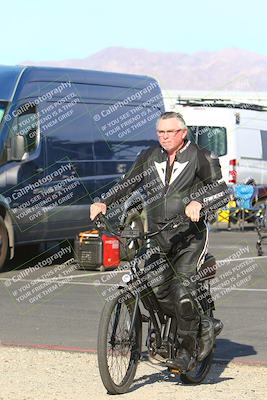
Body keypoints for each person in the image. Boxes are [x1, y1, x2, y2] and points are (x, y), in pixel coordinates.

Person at [90, 111, 229, 370]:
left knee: (182, 292)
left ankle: (189, 349)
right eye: (160, 133)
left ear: (183, 133)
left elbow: (221, 190)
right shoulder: (149, 157)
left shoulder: (201, 156)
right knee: (156, 285)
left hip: (190, 238)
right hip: (157, 236)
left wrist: (199, 202)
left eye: (170, 132)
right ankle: (190, 324)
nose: (165, 137)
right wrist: (103, 202)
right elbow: (126, 184)